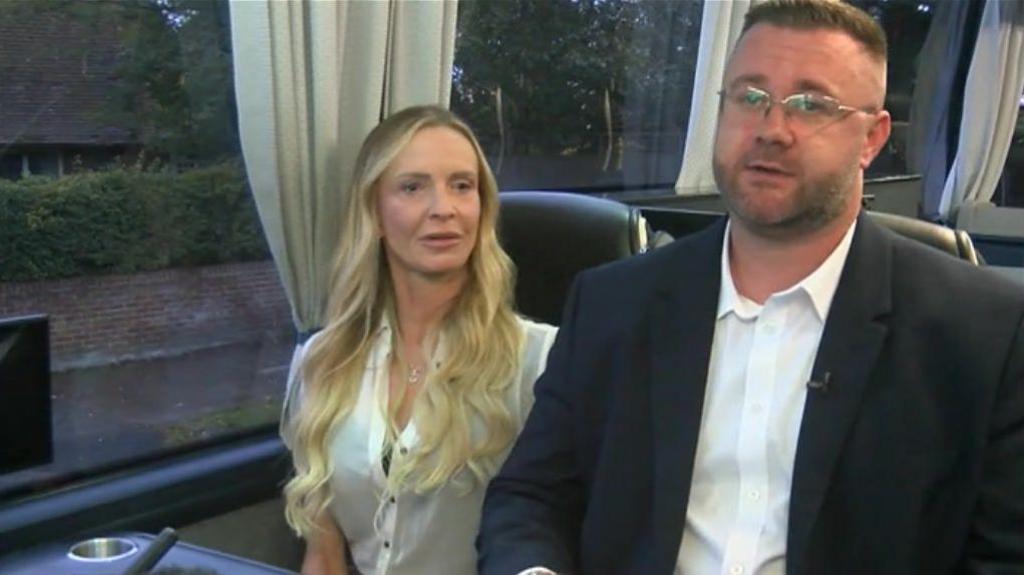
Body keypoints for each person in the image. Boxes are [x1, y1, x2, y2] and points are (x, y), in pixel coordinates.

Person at [477, 1, 1024, 574]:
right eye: (750, 97)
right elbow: (531, 497)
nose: (772, 130)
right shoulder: (612, 304)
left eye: (811, 105)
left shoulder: (982, 333)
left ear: (872, 138)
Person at [280, 105, 557, 575]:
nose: (443, 208)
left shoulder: (541, 359)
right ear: (375, 214)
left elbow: (563, 538)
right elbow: (323, 557)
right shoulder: (321, 362)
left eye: (461, 186)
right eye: (413, 187)